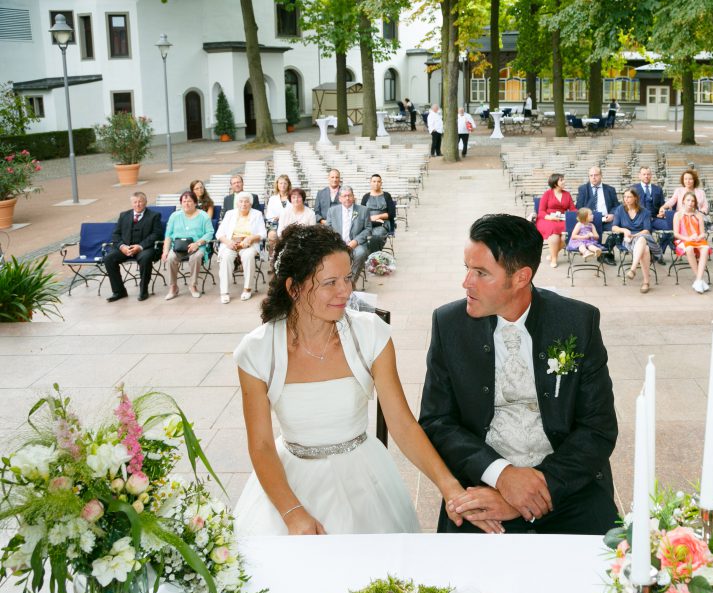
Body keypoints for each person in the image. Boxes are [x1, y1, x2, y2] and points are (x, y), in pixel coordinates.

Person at [232, 226, 500, 536]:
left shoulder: (371, 334)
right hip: (290, 479)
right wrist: (292, 512)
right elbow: (262, 445)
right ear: (293, 287)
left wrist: (450, 486)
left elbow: (402, 424)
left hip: (363, 477)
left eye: (348, 278)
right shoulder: (257, 350)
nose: (345, 291)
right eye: (330, 283)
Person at [419, 213, 618, 535]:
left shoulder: (576, 322)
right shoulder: (449, 325)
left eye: (481, 273)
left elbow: (598, 428)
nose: (466, 282)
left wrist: (537, 488)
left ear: (521, 277)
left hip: (567, 486)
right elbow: (437, 422)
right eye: (467, 268)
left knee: (603, 578)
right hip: (481, 484)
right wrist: (501, 475)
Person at [104, 192, 164, 303]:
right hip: (125, 248)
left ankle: (143, 290)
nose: (138, 204)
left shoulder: (154, 216)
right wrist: (122, 247)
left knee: (145, 258)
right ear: (132, 203)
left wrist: (140, 246)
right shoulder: (123, 215)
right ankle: (119, 291)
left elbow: (157, 234)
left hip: (144, 248)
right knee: (109, 258)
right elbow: (115, 234)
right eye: (135, 202)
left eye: (140, 201)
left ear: (145, 202)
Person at [162, 190, 214, 300]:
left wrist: (197, 243)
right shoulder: (174, 216)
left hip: (197, 246)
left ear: (195, 203)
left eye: (189, 201)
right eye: (184, 201)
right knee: (171, 258)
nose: (186, 203)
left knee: (196, 256)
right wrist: (165, 251)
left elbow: (210, 233)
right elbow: (168, 235)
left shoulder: (203, 216)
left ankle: (193, 285)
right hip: (177, 247)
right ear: (181, 203)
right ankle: (173, 287)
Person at [216, 191, 266, 303]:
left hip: (249, 244)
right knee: (226, 258)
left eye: (247, 202)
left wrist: (251, 238)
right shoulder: (229, 214)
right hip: (231, 243)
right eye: (241, 201)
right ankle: (224, 292)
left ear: (250, 203)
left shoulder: (257, 214)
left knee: (248, 256)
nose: (244, 204)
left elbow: (263, 233)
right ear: (237, 203)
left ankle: (247, 289)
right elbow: (219, 233)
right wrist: (228, 242)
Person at [327, 186, 384, 280]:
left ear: (353, 197)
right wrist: (337, 242)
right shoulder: (332, 211)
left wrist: (355, 241)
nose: (347, 198)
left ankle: (351, 282)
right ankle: (336, 281)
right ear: (340, 198)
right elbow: (328, 229)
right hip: (337, 244)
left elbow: (368, 229)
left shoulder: (363, 210)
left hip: (356, 244)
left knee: (361, 253)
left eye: (349, 195)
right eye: (344, 196)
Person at [612, 188, 659, 293]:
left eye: (629, 197)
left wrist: (635, 235)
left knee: (642, 240)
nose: (626, 199)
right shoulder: (620, 209)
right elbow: (614, 227)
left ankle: (633, 269)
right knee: (645, 250)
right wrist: (624, 230)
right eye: (624, 197)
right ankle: (646, 282)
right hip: (627, 239)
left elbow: (647, 230)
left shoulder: (645, 212)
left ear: (635, 198)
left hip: (642, 236)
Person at [576, 166, 619, 264]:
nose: (593, 177)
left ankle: (605, 251)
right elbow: (579, 206)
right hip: (589, 220)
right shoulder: (583, 189)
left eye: (596, 175)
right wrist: (585, 216)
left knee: (619, 230)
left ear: (601, 176)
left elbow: (616, 206)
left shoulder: (610, 189)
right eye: (591, 175)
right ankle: (600, 253)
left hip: (606, 218)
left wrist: (612, 214)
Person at [673, 192, 711, 294]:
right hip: (683, 240)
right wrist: (688, 238)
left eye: (693, 201)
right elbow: (676, 234)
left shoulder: (698, 215)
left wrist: (698, 237)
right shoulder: (678, 215)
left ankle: (698, 280)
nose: (690, 203)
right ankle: (700, 280)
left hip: (697, 240)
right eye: (688, 200)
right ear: (683, 201)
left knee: (706, 248)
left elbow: (703, 233)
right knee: (689, 249)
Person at [536, 172, 576, 268]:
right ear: (555, 183)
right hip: (547, 219)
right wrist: (551, 217)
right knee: (554, 236)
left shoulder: (567, 194)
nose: (564, 182)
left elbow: (573, 209)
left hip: (562, 218)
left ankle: (552, 253)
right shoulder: (547, 194)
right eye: (561, 180)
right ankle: (554, 258)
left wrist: (579, 213)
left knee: (565, 237)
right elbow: (541, 212)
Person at [632, 166, 668, 262]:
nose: (646, 176)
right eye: (644, 174)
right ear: (639, 176)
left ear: (651, 175)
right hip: (640, 220)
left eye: (648, 174)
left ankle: (658, 251)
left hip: (655, 218)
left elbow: (662, 204)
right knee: (645, 234)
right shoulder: (633, 189)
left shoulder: (658, 189)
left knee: (670, 228)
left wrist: (662, 210)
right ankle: (646, 254)